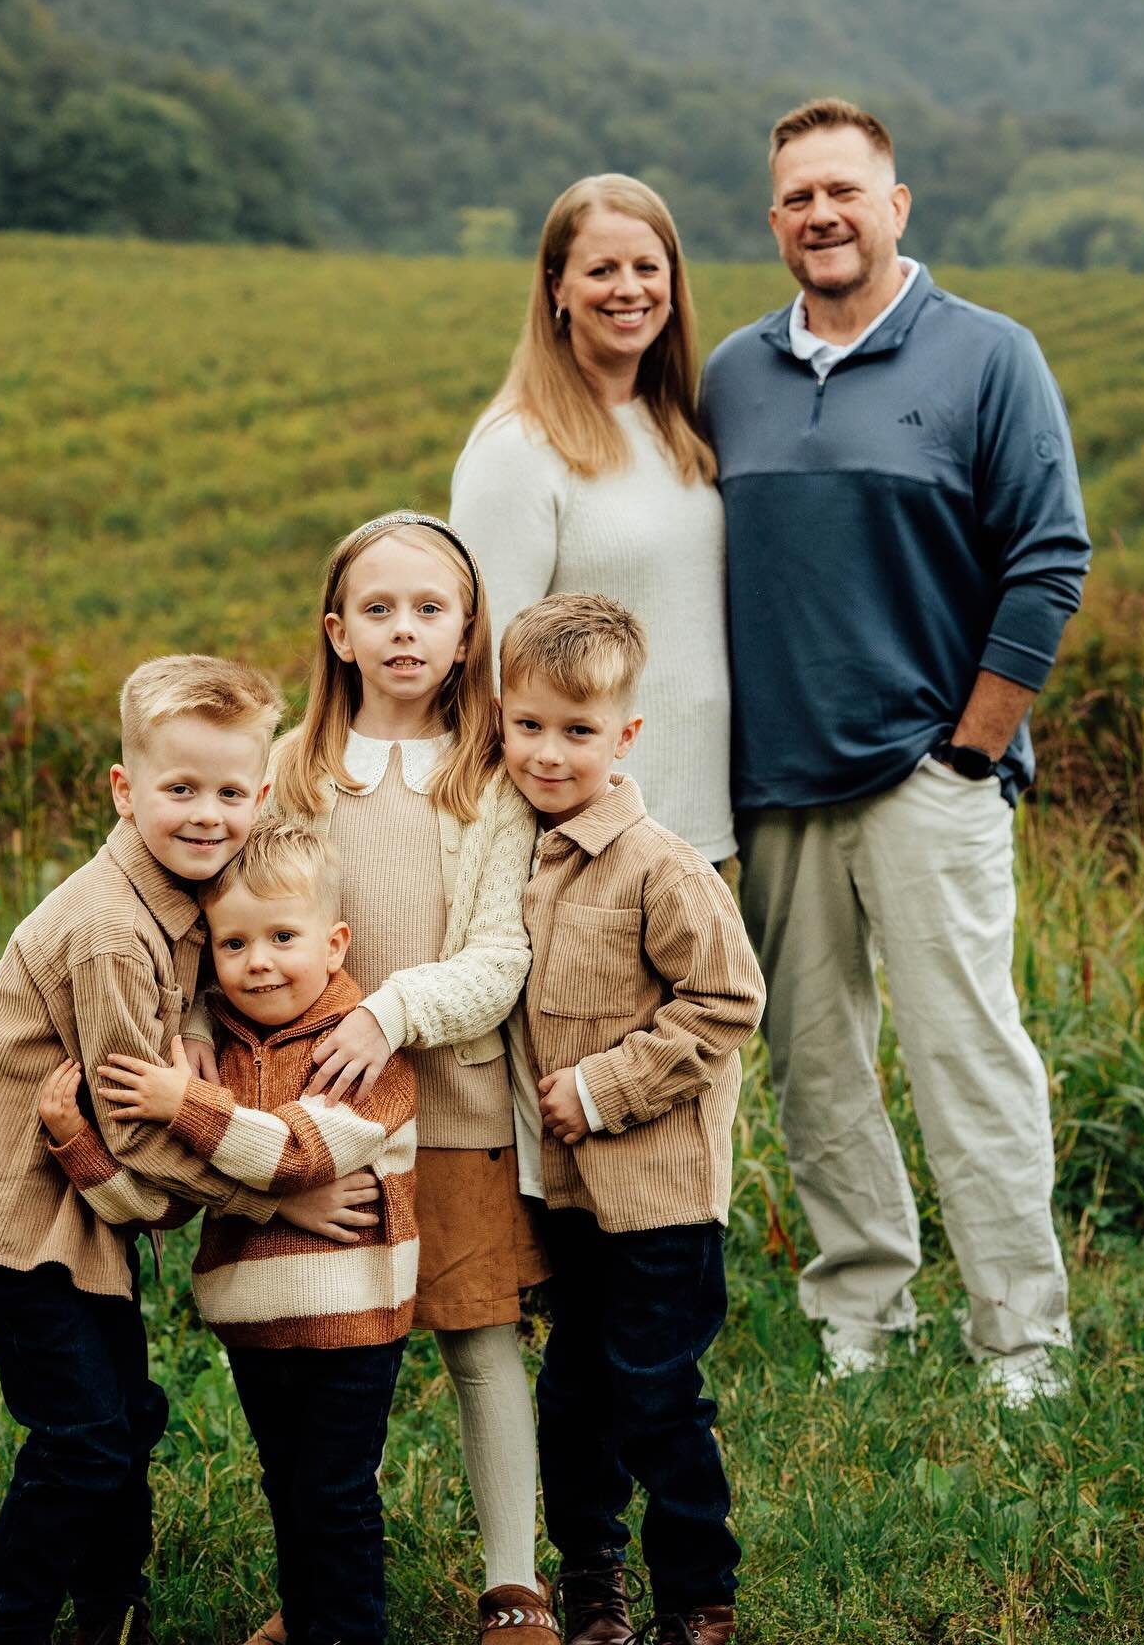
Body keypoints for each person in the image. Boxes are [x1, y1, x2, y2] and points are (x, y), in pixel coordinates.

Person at [699, 96, 1092, 1404]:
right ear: (775, 221)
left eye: (844, 191)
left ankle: (1020, 1336)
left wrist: (973, 753)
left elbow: (1048, 563)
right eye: (798, 196)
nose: (821, 213)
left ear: (895, 205)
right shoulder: (734, 375)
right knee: (816, 1064)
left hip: (931, 774)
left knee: (967, 1056)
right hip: (775, 787)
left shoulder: (988, 355)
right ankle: (863, 1310)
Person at [0, 654, 343, 1645]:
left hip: (80, 1214)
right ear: (124, 788)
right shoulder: (110, 929)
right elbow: (141, 1121)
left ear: (260, 795)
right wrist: (274, 1195)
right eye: (178, 790)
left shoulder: (187, 902)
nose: (206, 815)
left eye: (230, 793)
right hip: (15, 1216)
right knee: (84, 1437)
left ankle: (112, 1612)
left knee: (128, 1416)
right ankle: (8, 1629)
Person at [182, 513, 557, 1645]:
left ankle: (514, 1583)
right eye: (380, 611)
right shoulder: (290, 770)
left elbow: (500, 955)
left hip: (456, 1106)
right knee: (330, 1363)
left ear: (464, 634)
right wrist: (199, 1026)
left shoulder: (489, 779)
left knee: (479, 1337)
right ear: (338, 634)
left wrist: (393, 1012)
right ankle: (319, 1589)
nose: (405, 632)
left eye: (430, 610)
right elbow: (233, 925)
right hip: (312, 1118)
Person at [39, 818, 417, 1645]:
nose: (259, 961)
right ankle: (310, 1613)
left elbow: (296, 1154)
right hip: (252, 1321)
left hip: (349, 1320)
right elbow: (169, 1202)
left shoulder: (362, 1052)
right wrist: (79, 1148)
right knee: (287, 1482)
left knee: (336, 1492)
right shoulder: (214, 1050)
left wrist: (183, 1105)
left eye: (284, 936)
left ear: (334, 941)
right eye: (234, 943)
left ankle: (345, 1629)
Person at [498, 593, 764, 1645]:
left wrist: (606, 1087)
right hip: (563, 1196)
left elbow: (727, 1004)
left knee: (657, 1396)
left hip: (660, 1195)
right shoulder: (508, 853)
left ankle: (699, 1596)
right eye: (528, 726)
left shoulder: (662, 864)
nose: (549, 754)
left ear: (626, 736)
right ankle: (593, 1575)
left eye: (579, 731)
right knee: (573, 1397)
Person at [450, 174, 734, 863]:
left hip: (697, 825)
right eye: (601, 270)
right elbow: (485, 667)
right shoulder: (517, 447)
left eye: (646, 267)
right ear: (557, 289)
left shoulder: (675, 428)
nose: (628, 289)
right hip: (589, 844)